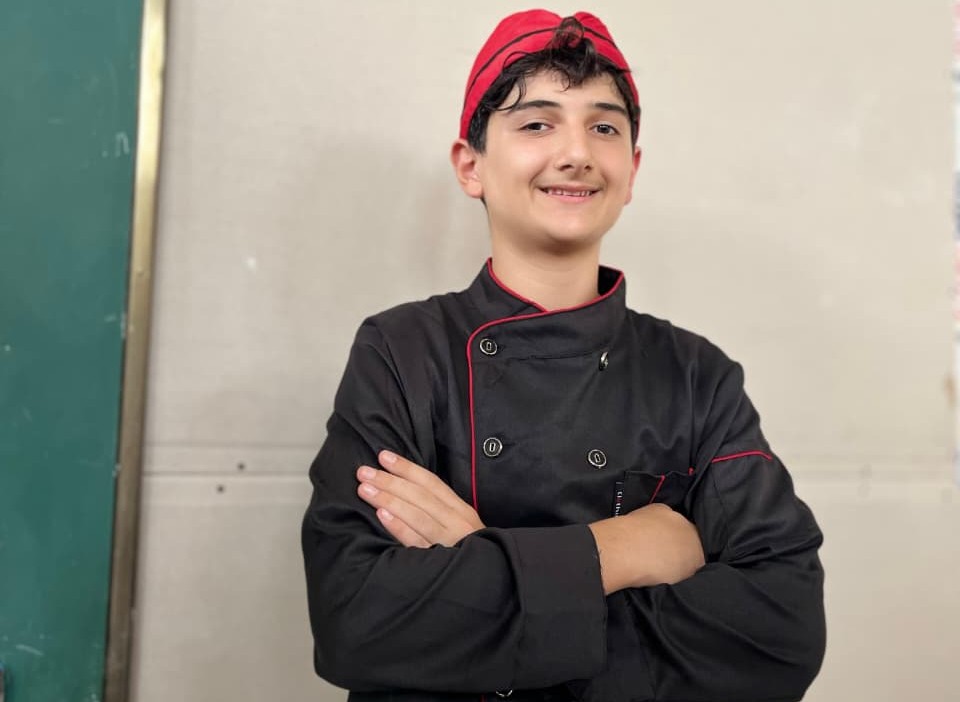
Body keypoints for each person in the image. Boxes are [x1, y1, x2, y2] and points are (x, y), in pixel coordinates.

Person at [301, 9, 825, 702]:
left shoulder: (697, 374)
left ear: (632, 170)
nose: (576, 153)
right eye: (536, 124)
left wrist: (481, 569)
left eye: (604, 128)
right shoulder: (402, 352)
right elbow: (357, 621)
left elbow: (780, 632)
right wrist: (627, 548)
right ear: (470, 166)